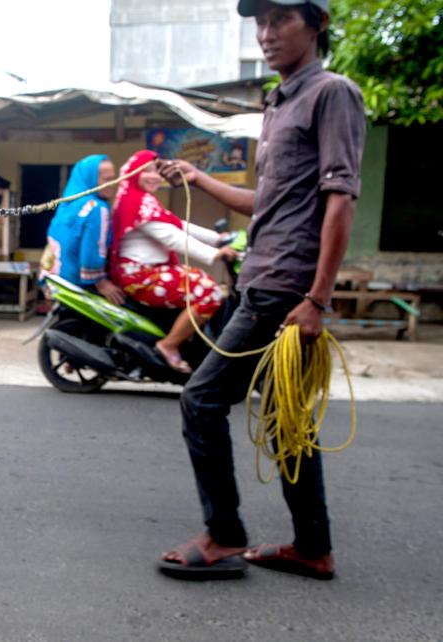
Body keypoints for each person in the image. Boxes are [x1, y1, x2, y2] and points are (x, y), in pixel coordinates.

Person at [155, 0, 366, 581]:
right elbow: (266, 203)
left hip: (285, 288)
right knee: (285, 418)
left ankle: (223, 534)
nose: (267, 34)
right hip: (263, 278)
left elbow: (341, 198)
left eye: (281, 20)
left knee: (200, 400)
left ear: (316, 24)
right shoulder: (280, 102)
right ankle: (312, 547)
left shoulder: (332, 93)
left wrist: (317, 299)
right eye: (260, 23)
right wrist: (198, 177)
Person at [110, 149, 238, 373]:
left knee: (204, 282)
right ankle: (168, 345)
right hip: (140, 276)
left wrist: (218, 239)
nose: (155, 176)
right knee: (209, 293)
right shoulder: (136, 203)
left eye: (157, 172)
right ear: (132, 174)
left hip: (150, 271)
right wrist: (214, 254)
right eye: (147, 171)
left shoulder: (142, 200)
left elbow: (177, 224)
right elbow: (171, 236)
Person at [41, 155, 125, 304]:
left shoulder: (67, 204)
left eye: (114, 178)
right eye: (106, 179)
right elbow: (92, 248)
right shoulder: (97, 208)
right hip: (78, 284)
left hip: (55, 280)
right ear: (90, 179)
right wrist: (101, 282)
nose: (113, 184)